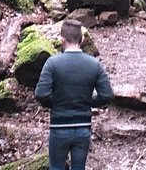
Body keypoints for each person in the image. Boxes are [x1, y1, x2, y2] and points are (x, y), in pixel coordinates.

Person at [34, 19, 113, 170]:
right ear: (82, 40)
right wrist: (88, 102)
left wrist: (56, 103)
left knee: (56, 167)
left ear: (62, 40)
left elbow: (41, 94)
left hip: (59, 127)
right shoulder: (94, 64)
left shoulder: (52, 63)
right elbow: (107, 95)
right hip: (83, 128)